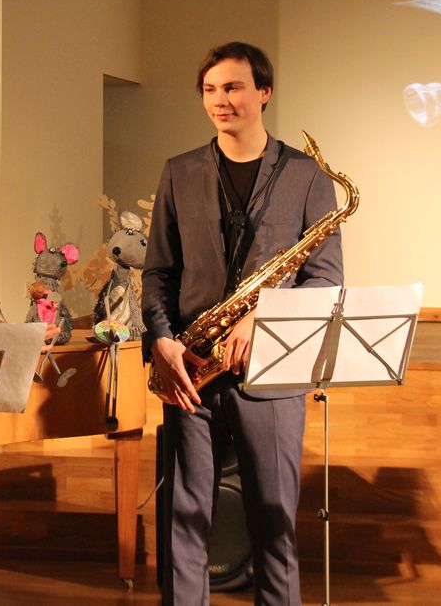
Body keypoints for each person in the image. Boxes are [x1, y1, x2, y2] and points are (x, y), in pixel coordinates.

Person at [142, 42, 343, 605]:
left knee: (274, 525)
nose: (219, 100)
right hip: (191, 369)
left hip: (271, 372)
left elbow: (326, 278)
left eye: (232, 87)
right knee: (184, 521)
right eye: (210, 89)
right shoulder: (179, 171)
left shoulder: (307, 175)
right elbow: (158, 272)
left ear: (264, 92)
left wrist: (262, 317)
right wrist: (162, 340)